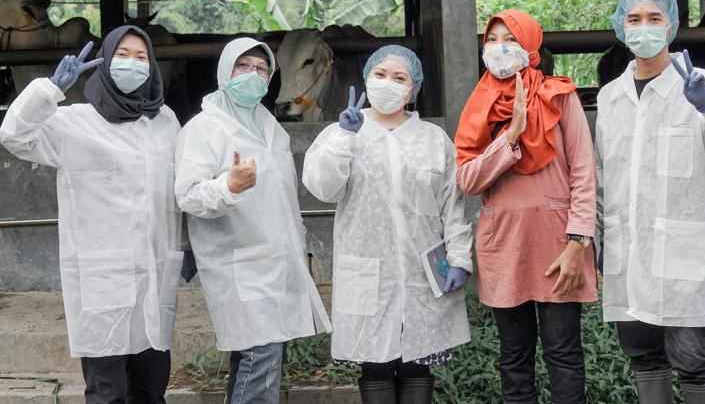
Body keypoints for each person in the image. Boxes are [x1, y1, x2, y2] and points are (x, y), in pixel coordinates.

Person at [596, 0, 705, 403]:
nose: (643, 27)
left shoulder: (703, 84)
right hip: (625, 250)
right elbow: (602, 175)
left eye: (654, 18)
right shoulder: (610, 98)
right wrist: (595, 236)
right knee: (643, 357)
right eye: (634, 19)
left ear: (671, 26)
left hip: (680, 256)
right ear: (620, 27)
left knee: (692, 359)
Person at [0, 26, 182, 403]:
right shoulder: (75, 122)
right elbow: (15, 136)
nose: (131, 64)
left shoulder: (165, 122)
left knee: (151, 388)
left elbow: (180, 188)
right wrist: (50, 89)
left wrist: (189, 244)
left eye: (141, 57)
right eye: (122, 55)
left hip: (154, 271)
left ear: (152, 65)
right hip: (104, 277)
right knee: (107, 391)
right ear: (105, 61)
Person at [302, 44, 472, 403]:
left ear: (413, 88)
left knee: (417, 363)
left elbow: (451, 205)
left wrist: (460, 258)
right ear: (366, 79)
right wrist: (343, 139)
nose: (388, 83)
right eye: (380, 75)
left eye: (399, 78)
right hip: (368, 270)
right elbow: (323, 188)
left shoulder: (432, 139)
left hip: (423, 271)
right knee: (375, 362)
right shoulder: (345, 131)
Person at [174, 37, 331, 404]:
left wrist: (300, 251)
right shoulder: (202, 129)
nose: (253, 75)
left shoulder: (271, 127)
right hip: (238, 265)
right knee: (260, 357)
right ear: (224, 72)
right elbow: (188, 195)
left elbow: (284, 201)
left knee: (256, 359)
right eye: (243, 66)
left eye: (262, 69)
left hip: (277, 262)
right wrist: (228, 186)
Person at [454, 9, 597, 404]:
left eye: (511, 39)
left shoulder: (559, 95)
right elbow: (467, 179)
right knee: (514, 359)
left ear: (531, 46)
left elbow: (584, 171)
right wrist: (510, 137)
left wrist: (578, 243)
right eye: (492, 40)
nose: (499, 48)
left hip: (559, 246)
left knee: (563, 354)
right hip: (503, 246)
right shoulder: (478, 106)